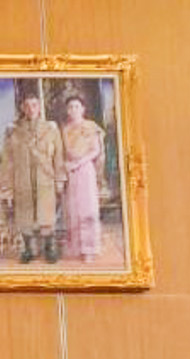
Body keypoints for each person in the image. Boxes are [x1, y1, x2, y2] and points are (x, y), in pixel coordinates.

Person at [1, 89, 65, 264]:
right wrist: (6, 184)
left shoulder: (50, 128)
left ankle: (50, 249)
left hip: (45, 177)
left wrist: (60, 179)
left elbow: (58, 155)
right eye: (27, 105)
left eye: (34, 105)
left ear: (39, 107)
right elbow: (8, 158)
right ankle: (29, 250)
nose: (31, 109)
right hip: (23, 179)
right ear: (22, 108)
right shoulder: (13, 131)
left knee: (46, 214)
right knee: (25, 215)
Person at [60, 92, 107, 263]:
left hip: (85, 169)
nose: (73, 109)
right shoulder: (65, 130)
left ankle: (89, 249)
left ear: (83, 109)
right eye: (70, 107)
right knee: (73, 209)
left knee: (88, 208)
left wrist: (78, 163)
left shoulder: (90, 126)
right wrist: (66, 165)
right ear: (67, 110)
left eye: (76, 106)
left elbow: (95, 150)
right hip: (71, 171)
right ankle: (77, 247)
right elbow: (62, 152)